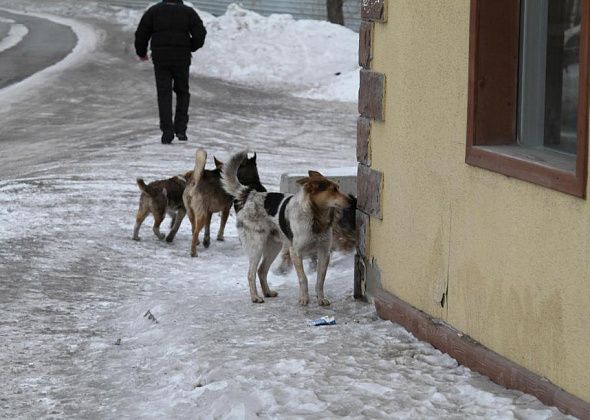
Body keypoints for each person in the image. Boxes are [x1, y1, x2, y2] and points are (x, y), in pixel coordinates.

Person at [135, 0, 207, 144]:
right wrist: (190, 47)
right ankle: (180, 129)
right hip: (182, 59)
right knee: (182, 92)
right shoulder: (188, 12)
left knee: (164, 94)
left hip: (161, 59)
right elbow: (200, 34)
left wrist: (141, 52)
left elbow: (142, 33)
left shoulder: (154, 11)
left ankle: (167, 132)